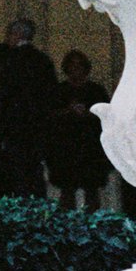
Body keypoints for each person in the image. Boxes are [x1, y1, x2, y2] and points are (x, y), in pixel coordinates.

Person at [0, 17, 60, 200]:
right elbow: (51, 94)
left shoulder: (10, 60)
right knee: (35, 171)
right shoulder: (43, 60)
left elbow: (2, 89)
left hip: (14, 126)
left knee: (16, 173)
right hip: (37, 127)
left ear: (17, 34)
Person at [47, 50, 114, 210]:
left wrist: (88, 114)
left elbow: (106, 115)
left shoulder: (95, 90)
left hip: (90, 147)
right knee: (67, 190)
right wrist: (68, 111)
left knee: (92, 191)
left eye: (79, 66)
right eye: (72, 66)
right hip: (67, 148)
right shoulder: (60, 90)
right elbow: (50, 115)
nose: (76, 70)